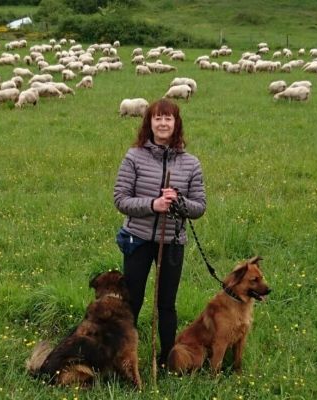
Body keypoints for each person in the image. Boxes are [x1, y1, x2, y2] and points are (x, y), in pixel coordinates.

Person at [113, 98, 206, 368]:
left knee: (166, 303)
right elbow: (120, 199)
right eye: (157, 118)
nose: (163, 123)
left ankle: (168, 359)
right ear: (149, 123)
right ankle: (123, 357)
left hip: (172, 241)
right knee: (132, 301)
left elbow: (199, 207)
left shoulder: (190, 163)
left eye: (168, 118)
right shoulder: (134, 157)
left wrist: (178, 202)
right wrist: (153, 205)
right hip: (138, 239)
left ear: (176, 124)